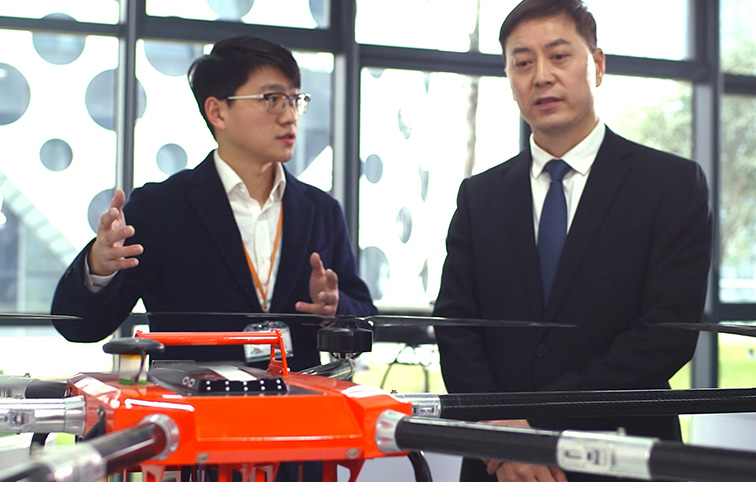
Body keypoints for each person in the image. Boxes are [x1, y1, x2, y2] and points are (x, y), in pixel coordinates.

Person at [432, 1, 712, 481]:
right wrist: (501, 440)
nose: (541, 76)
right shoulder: (480, 195)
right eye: (523, 63)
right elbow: (456, 326)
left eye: (559, 56)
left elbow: (665, 335)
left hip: (622, 454)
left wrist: (537, 430)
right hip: (498, 464)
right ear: (509, 78)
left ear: (597, 65)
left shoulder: (670, 184)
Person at [51, 35, 376, 372]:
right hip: (191, 401)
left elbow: (367, 321)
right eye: (273, 100)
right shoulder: (161, 208)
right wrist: (99, 266)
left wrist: (335, 308)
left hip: (298, 400)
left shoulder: (321, 210)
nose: (290, 116)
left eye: (295, 100)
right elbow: (80, 327)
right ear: (217, 112)